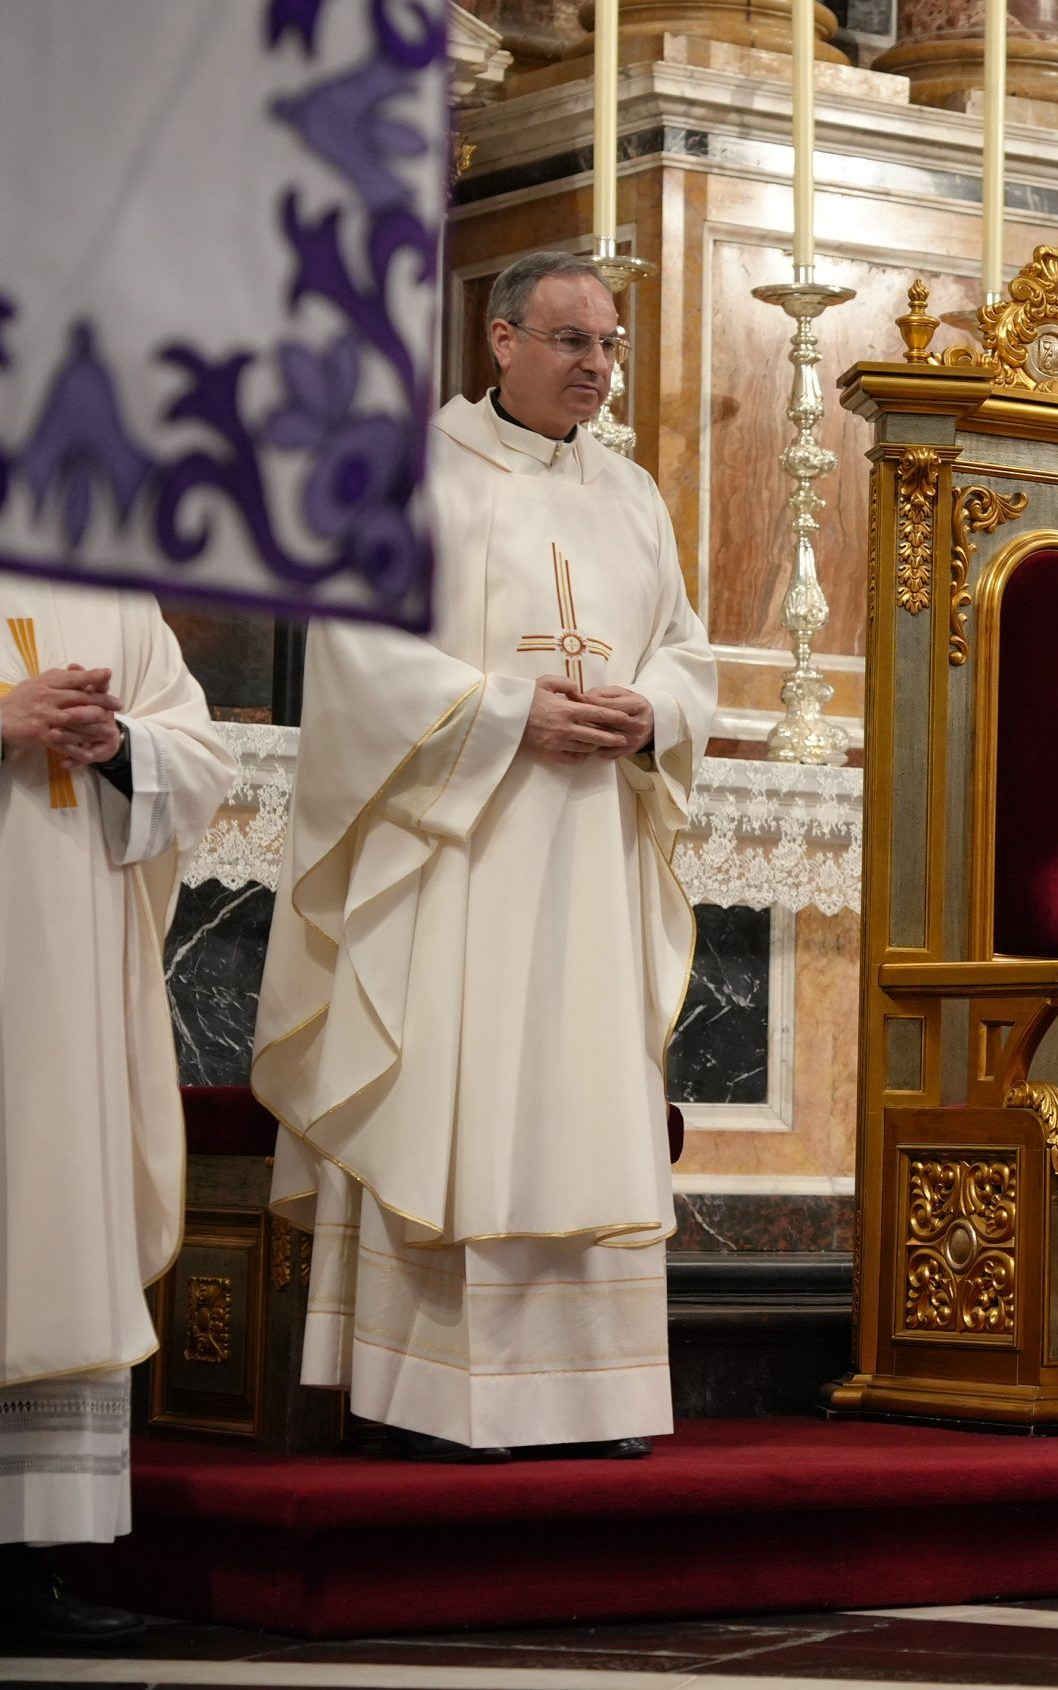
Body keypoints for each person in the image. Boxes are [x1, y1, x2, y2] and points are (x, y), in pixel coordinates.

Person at [253, 252, 716, 1463]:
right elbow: (358, 652)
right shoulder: (412, 478)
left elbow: (684, 647)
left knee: (580, 1094)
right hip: (461, 847)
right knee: (458, 1089)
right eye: (572, 342)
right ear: (501, 341)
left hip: (592, 847)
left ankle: (594, 1398)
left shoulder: (631, 494)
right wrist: (507, 713)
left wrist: (654, 711)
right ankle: (434, 1398)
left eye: (610, 346)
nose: (597, 368)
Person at [0, 573, 234, 1641]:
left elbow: (199, 753)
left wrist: (121, 745)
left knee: (51, 1221)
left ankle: (27, 1558)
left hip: (72, 971)